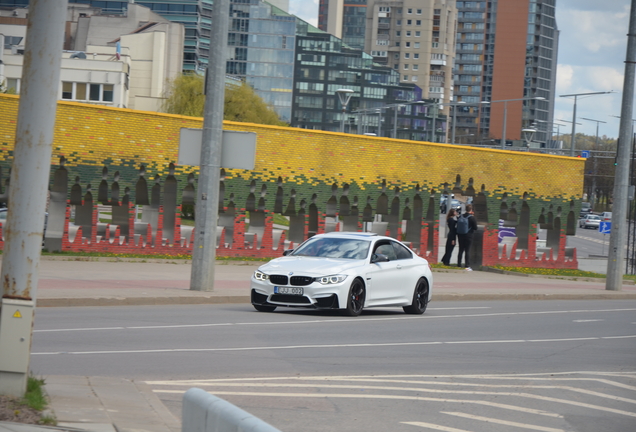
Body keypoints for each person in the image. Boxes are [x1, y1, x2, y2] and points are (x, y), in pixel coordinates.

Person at [457, 203, 478, 271]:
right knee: (467, 250)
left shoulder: (461, 216)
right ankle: (467, 266)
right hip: (469, 236)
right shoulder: (472, 218)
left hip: (460, 235)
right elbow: (475, 228)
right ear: (471, 210)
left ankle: (459, 264)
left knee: (460, 250)